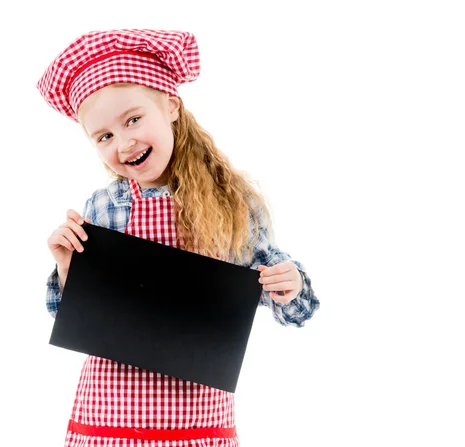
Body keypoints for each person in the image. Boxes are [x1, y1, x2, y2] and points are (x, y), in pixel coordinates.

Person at [38, 29, 320, 446]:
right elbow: (71, 315)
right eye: (104, 137)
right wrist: (68, 268)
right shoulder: (101, 206)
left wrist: (288, 283)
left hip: (198, 417)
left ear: (170, 105)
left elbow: (294, 308)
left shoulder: (233, 203)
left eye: (133, 119)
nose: (124, 142)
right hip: (110, 414)